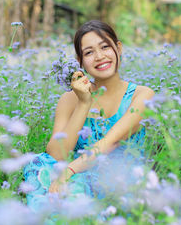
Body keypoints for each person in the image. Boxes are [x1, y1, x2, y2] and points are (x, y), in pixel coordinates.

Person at [23, 20, 155, 213]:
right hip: (79, 174)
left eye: (105, 47)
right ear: (80, 61)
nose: (100, 57)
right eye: (89, 52)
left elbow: (111, 142)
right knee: (36, 163)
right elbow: (55, 155)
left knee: (76, 187)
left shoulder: (142, 95)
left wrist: (69, 171)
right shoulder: (70, 99)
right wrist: (83, 103)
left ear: (118, 48)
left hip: (120, 180)